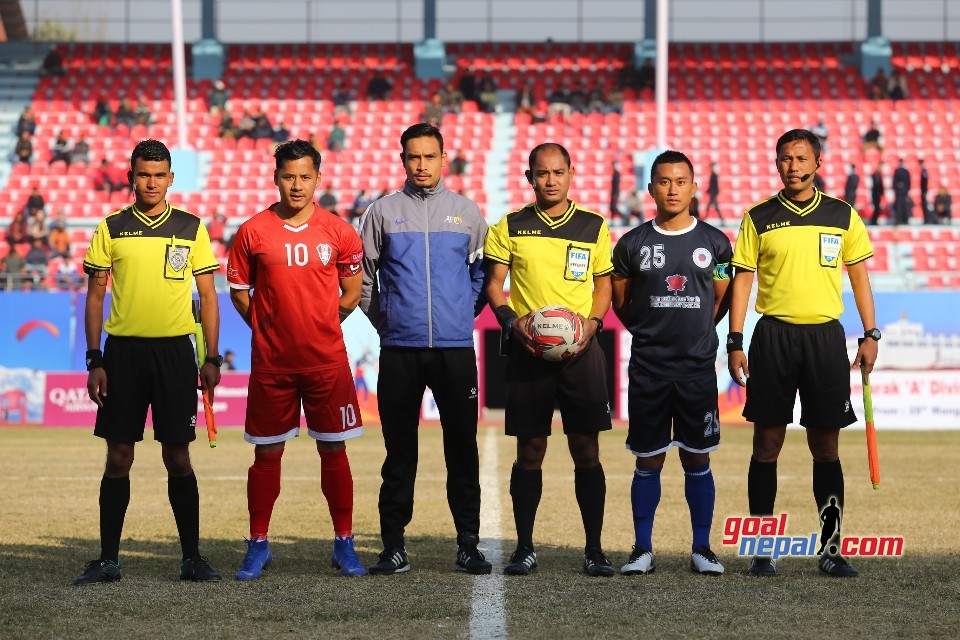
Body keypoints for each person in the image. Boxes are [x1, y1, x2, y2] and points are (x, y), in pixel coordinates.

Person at [727, 129, 878, 578]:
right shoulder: (758, 217)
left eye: (800, 158)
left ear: (817, 163)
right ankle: (761, 549)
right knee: (767, 444)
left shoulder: (843, 216)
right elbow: (742, 281)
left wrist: (870, 333)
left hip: (825, 340)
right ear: (777, 164)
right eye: (785, 158)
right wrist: (735, 340)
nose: (792, 166)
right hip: (773, 338)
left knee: (825, 448)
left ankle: (830, 550)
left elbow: (859, 278)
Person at [73, 139, 223, 585]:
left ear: (171, 178)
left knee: (178, 456)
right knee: (119, 456)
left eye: (159, 175)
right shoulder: (112, 227)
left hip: (176, 353)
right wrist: (95, 359)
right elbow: (96, 294)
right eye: (144, 174)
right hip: (123, 354)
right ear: (131, 177)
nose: (151, 182)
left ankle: (192, 559)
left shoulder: (191, 227)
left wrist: (211, 357)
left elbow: (209, 298)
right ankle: (107, 561)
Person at [227, 140, 367, 580]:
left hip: (326, 361)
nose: (297, 185)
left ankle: (344, 543)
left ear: (318, 179)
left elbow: (352, 291)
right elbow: (237, 293)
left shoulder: (339, 231)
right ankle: (258, 545)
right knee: (266, 455)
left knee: (334, 450)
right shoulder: (253, 231)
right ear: (276, 178)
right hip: (273, 365)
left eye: (305, 177)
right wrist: (268, 330)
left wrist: (326, 322)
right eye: (289, 177)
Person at [359, 123, 490, 576]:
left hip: (454, 351)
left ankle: (468, 543)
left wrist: (459, 316)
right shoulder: (381, 213)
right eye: (413, 157)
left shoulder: (468, 214)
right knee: (399, 451)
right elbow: (363, 279)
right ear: (403, 160)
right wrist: (390, 321)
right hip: (399, 350)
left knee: (462, 448)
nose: (421, 164)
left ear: (442, 159)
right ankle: (393, 545)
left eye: (429, 156)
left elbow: (480, 277)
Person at [484, 142, 615, 577]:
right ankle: (524, 548)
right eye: (542, 173)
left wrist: (592, 325)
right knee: (530, 450)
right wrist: (510, 321)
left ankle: (594, 550)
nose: (551, 180)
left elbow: (603, 286)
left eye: (558, 172)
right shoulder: (510, 226)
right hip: (528, 352)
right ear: (530, 177)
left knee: (586, 448)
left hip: (582, 352)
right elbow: (495, 285)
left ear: (571, 173)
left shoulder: (594, 226)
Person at [611, 151, 732, 576]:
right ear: (651, 189)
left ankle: (702, 548)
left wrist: (697, 328)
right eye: (664, 181)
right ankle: (642, 549)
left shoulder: (715, 242)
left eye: (681, 181)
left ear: (695, 186)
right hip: (649, 369)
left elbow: (720, 298)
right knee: (649, 459)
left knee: (698, 459)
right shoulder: (631, 244)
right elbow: (622, 302)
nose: (673, 188)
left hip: (697, 369)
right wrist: (650, 330)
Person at [892, 158, 911, 225]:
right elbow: (909, 182)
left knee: (900, 206)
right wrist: (907, 190)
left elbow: (894, 182)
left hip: (899, 191)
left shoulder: (897, 171)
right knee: (904, 206)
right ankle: (905, 220)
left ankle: (899, 220)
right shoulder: (906, 171)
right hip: (904, 191)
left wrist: (895, 189)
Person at [919, 159, 931, 223]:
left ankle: (927, 219)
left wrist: (924, 191)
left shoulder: (924, 171)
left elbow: (925, 182)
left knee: (925, 205)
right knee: (923, 205)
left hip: (924, 191)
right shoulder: (923, 171)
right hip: (924, 191)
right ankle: (926, 219)